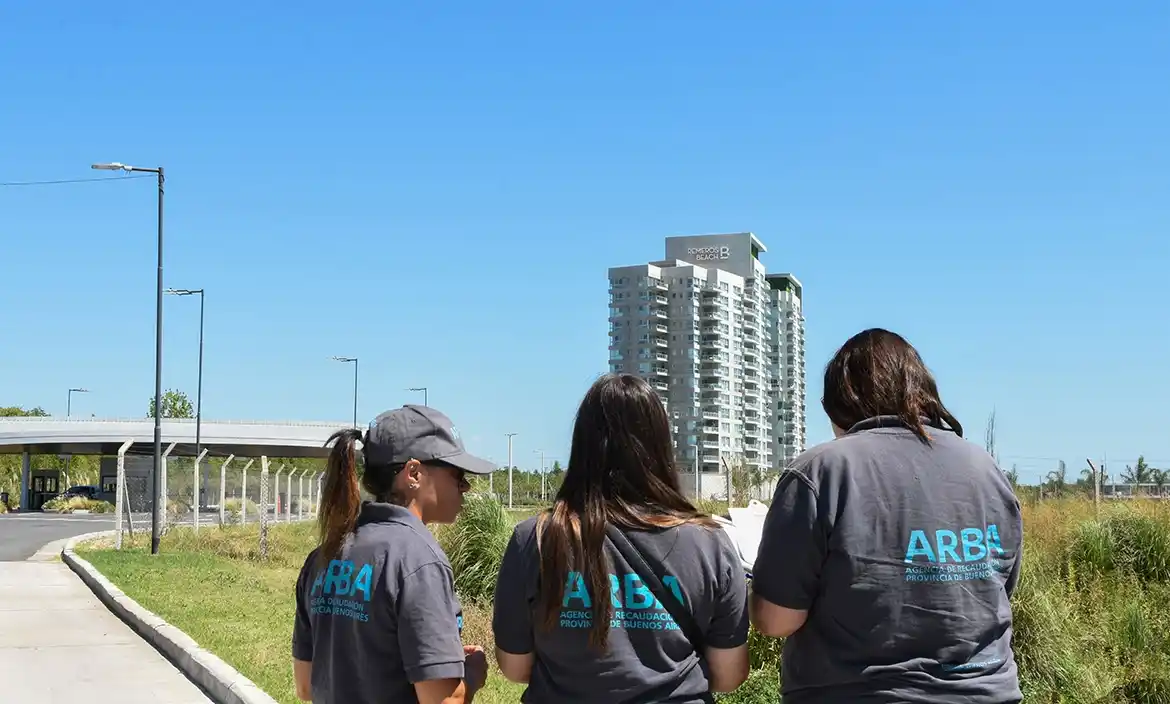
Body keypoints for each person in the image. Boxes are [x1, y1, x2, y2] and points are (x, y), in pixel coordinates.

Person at [751, 328, 1023, 703]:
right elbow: (996, 591)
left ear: (840, 403)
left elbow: (775, 620)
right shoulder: (986, 469)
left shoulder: (821, 470)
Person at [492, 373, 751, 703]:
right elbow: (728, 675)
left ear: (583, 445)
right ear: (660, 446)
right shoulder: (710, 543)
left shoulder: (536, 538)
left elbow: (515, 668)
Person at [292, 404, 494, 704]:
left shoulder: (323, 557)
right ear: (413, 473)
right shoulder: (419, 561)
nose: (465, 486)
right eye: (457, 473)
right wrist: (472, 673)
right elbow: (443, 700)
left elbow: (306, 686)